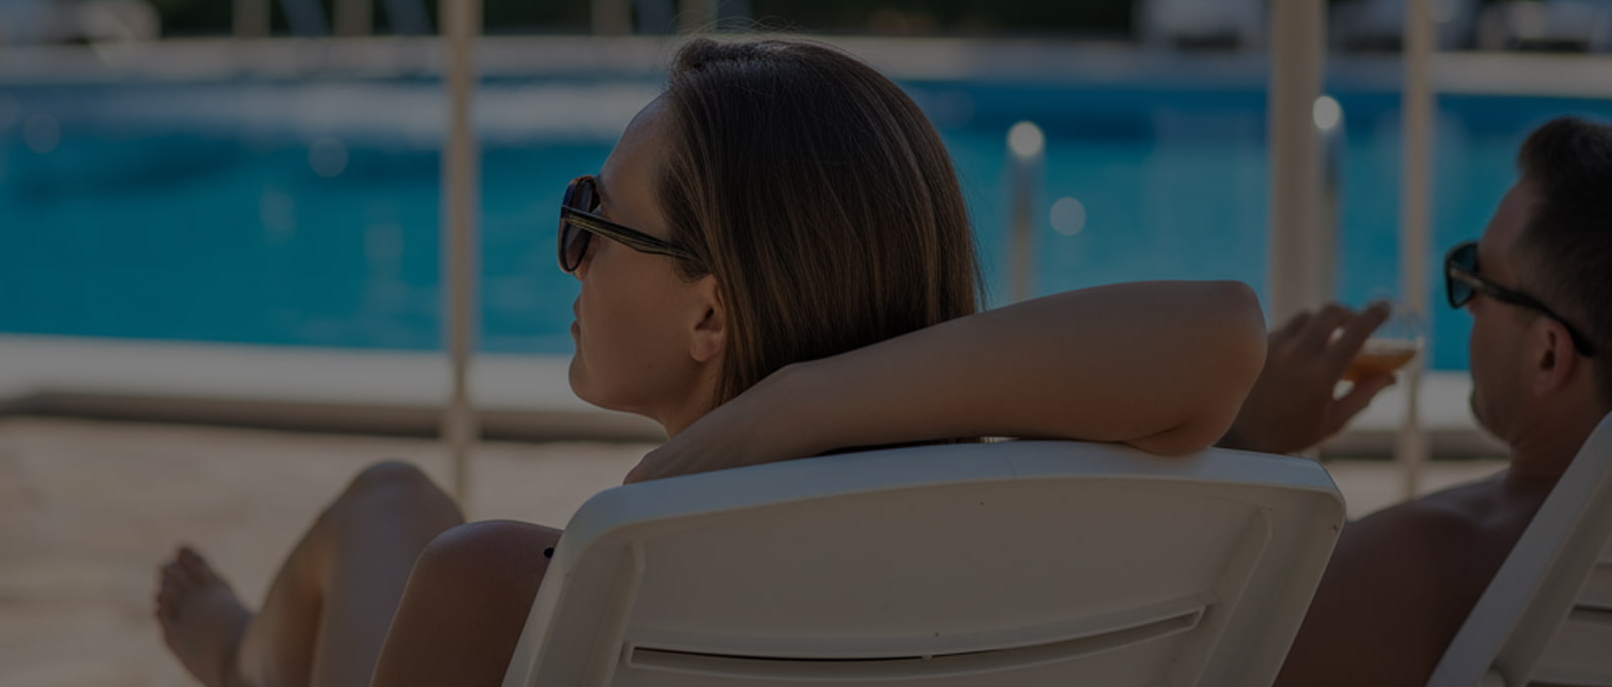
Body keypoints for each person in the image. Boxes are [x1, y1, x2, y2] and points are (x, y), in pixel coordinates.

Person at [154, 38, 1268, 687]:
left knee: (388, 507)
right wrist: (812, 400)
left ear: (709, 317)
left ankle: (243, 659)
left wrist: (788, 406)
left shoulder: (499, 581)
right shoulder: (1033, 549)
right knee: (390, 496)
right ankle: (246, 646)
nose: (570, 256)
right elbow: (1220, 334)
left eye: (593, 217)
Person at [1222, 116, 1612, 687]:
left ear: (1548, 356)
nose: (1469, 303)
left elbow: (1193, 656)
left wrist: (1245, 441)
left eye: (1480, 277)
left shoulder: (1420, 564)